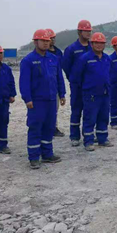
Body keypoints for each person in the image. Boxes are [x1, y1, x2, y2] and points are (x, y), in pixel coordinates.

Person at [20, 29, 66, 169]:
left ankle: (47, 154)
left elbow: (59, 77)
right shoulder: (28, 60)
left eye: (48, 41)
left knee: (49, 127)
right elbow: (24, 82)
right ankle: (34, 157)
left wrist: (62, 94)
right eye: (43, 41)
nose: (46, 43)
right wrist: (27, 99)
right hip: (37, 101)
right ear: (35, 42)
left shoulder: (53, 59)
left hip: (51, 99)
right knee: (35, 127)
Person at [71, 32, 113, 151]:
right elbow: (77, 77)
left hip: (105, 93)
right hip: (91, 95)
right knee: (90, 118)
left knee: (103, 117)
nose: (99, 45)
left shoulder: (107, 58)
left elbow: (109, 74)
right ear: (91, 44)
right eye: (96, 43)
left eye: (101, 43)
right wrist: (87, 88)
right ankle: (88, 141)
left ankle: (102, 139)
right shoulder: (85, 58)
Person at [62, 20, 92, 146]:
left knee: (89, 110)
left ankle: (88, 134)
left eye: (90, 31)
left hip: (90, 85)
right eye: (86, 31)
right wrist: (73, 79)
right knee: (76, 109)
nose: (88, 33)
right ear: (79, 32)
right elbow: (66, 66)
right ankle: (74, 136)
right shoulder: (71, 49)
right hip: (77, 86)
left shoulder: (93, 47)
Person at [46, 28, 65, 137]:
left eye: (53, 38)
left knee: (54, 108)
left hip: (55, 84)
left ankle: (53, 127)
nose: (52, 40)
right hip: (43, 86)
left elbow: (60, 72)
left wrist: (62, 93)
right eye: (50, 38)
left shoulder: (58, 53)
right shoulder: (41, 53)